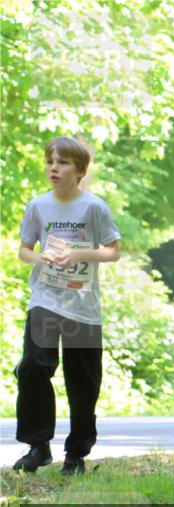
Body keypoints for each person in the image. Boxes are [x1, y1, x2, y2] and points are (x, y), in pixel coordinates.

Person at [12, 136, 122, 475]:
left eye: (62, 163)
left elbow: (113, 251)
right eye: (50, 162)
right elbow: (23, 250)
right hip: (45, 298)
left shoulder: (94, 207)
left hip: (82, 305)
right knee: (32, 366)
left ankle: (76, 455)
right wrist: (40, 258)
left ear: (80, 171)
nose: (54, 168)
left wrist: (78, 254)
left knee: (83, 381)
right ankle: (38, 446)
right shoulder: (38, 206)